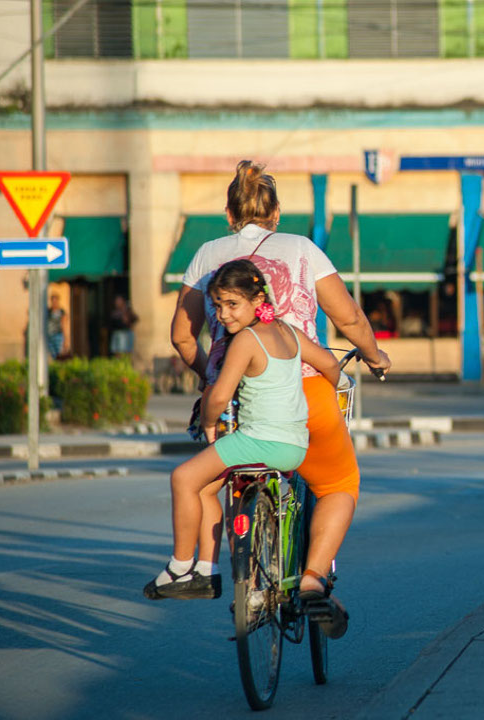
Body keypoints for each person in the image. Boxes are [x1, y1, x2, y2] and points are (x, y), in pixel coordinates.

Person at [165, 161, 391, 627]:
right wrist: (373, 355)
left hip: (234, 400)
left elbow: (183, 337)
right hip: (303, 390)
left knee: (233, 474)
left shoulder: (207, 254)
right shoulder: (303, 249)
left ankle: (244, 581)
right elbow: (348, 319)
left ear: (230, 213)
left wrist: (214, 377)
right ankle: (311, 579)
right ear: (277, 212)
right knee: (337, 485)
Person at [144, 259, 340, 605]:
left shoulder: (246, 340)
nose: (223, 315)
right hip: (294, 447)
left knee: (183, 478)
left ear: (257, 299)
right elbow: (328, 364)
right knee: (207, 488)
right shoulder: (288, 332)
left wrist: (207, 423)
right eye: (218, 306)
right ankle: (206, 568)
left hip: (258, 443)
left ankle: (180, 567)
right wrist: (337, 390)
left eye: (232, 304)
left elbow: (218, 396)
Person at [46, 293, 69, 359]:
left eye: (55, 301)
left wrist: (66, 339)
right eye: (53, 301)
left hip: (58, 335)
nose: (54, 303)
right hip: (49, 336)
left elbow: (64, 325)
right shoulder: (48, 311)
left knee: (59, 354)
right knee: (53, 355)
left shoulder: (61, 312)